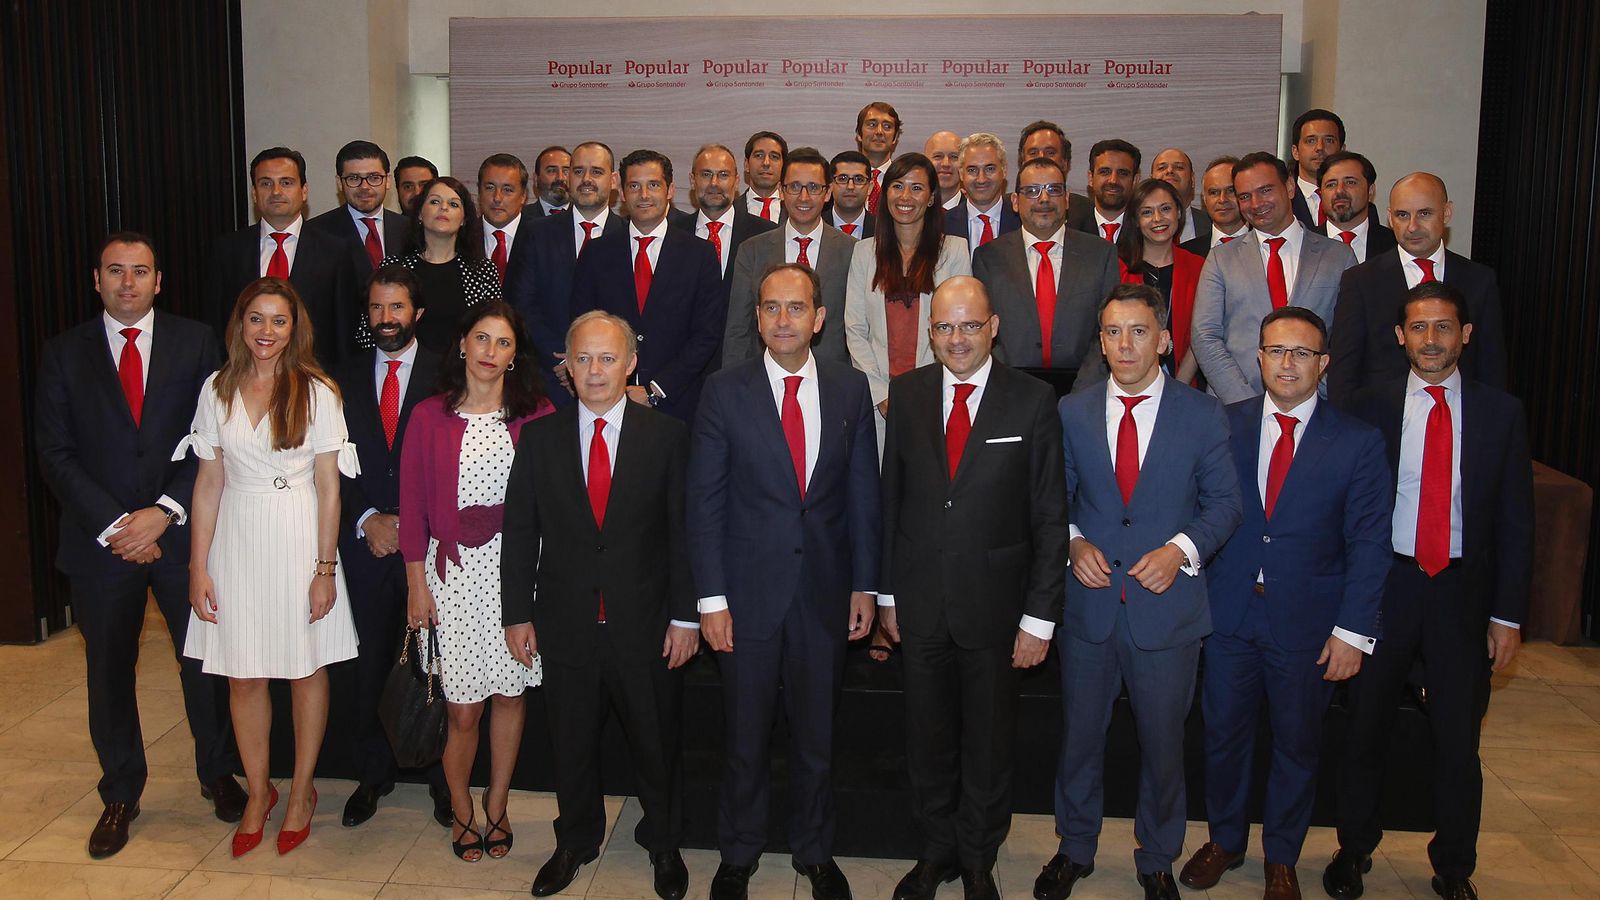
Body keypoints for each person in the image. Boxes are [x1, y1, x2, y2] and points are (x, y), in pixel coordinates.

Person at [34, 233, 245, 859]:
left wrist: (163, 513)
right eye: (115, 272)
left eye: (140, 272)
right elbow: (54, 452)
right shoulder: (63, 352)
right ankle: (121, 790)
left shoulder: (197, 341)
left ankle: (216, 772)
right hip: (100, 546)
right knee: (109, 672)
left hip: (182, 534)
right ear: (96, 281)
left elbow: (215, 436)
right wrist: (118, 526)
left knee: (202, 661)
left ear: (160, 281)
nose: (128, 283)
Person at [1324, 283, 1533, 900]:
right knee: (1365, 728)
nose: (1432, 340)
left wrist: (1507, 615)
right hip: (1386, 585)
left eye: (1444, 328)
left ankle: (1454, 866)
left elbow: (1517, 522)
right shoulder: (1368, 406)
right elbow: (1346, 512)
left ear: (1465, 335)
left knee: (1457, 740)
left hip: (1463, 595)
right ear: (1400, 336)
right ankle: (1353, 849)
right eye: (1419, 328)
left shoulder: (1502, 413)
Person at [1178, 307, 1392, 900]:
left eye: (1301, 353)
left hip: (1309, 623)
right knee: (1222, 735)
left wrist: (1353, 633)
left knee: (1298, 742)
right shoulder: (1224, 424)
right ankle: (1224, 840)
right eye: (1276, 351)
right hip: (1228, 615)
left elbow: (1370, 544)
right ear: (1260, 358)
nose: (1287, 363)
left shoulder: (1357, 442)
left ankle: (1282, 857)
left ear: (1323, 364)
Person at [688, 263, 880, 900]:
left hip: (825, 594)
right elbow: (705, 502)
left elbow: (862, 496)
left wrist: (865, 586)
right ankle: (738, 853)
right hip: (744, 598)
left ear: (819, 318)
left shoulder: (851, 390)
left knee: (817, 737)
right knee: (744, 736)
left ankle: (814, 851)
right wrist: (711, 599)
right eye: (771, 308)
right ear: (758, 317)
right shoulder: (724, 390)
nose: (783, 320)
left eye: (796, 308)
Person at [1042, 284, 1241, 900]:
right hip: (1090, 609)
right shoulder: (1072, 411)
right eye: (1111, 332)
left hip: (1166, 612)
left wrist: (1180, 550)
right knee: (1078, 740)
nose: (1123, 345)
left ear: (1164, 339)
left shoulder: (1204, 414)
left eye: (1136, 331)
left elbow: (1225, 505)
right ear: (1099, 342)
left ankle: (1157, 856)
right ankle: (1074, 848)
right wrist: (1073, 542)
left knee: (1162, 746)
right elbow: (1055, 501)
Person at [878, 277, 1068, 900]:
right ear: (930, 333)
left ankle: (979, 857)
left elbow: (1047, 514)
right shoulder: (905, 395)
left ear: (993, 327)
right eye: (943, 327)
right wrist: (887, 597)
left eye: (968, 325)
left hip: (997, 608)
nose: (956, 339)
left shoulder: (1034, 400)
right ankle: (936, 853)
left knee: (988, 745)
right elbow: (891, 502)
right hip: (922, 603)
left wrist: (1040, 618)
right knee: (925, 738)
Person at [503, 311, 696, 900]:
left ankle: (662, 842)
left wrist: (686, 617)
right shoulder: (540, 438)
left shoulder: (666, 436)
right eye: (581, 358)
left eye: (607, 358)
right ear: (565, 366)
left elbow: (683, 536)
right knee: (571, 742)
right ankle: (575, 840)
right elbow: (519, 531)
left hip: (646, 624)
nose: (594, 370)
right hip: (566, 625)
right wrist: (516, 613)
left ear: (631, 364)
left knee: (655, 741)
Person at [178, 277, 361, 858]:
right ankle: (259, 792)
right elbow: (207, 484)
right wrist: (197, 567)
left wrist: (325, 568)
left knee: (305, 668)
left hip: (299, 534)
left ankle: (302, 789)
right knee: (244, 673)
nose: (266, 331)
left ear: (294, 327)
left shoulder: (317, 392)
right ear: (240, 324)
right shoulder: (217, 388)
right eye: (256, 319)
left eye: (277, 320)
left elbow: (330, 490)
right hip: (236, 534)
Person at [399, 301, 553, 862]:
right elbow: (412, 505)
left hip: (518, 578)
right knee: (464, 710)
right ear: (462, 343)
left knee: (511, 697)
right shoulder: (427, 416)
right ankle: (461, 808)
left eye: (504, 343)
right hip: (453, 577)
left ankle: (498, 803)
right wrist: (416, 584)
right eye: (482, 339)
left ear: (516, 355)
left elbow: (549, 504)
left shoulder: (536, 414)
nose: (491, 352)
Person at [330, 264, 449, 828]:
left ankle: (443, 782)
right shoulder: (339, 378)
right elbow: (324, 461)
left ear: (417, 313)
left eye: (396, 308)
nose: (386, 319)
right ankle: (371, 776)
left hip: (436, 547)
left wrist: (417, 524)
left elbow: (459, 455)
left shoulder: (451, 372)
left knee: (440, 668)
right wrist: (367, 518)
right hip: (367, 545)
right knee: (370, 665)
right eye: (376, 308)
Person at [1327, 172, 1508, 406]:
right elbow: (1344, 373)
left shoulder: (1479, 280)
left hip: (1457, 421)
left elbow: (1491, 367)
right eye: (1403, 215)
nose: (1412, 226)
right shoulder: (1360, 281)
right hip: (1381, 424)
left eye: (1424, 213)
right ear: (1390, 218)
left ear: (1446, 213)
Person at [1190, 152, 1356, 404]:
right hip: (1236, 408)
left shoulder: (1338, 257)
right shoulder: (1220, 259)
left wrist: (1316, 392)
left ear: (1290, 187)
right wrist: (1245, 403)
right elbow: (1205, 336)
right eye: (1245, 196)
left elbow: (1348, 340)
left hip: (1314, 408)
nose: (1256, 203)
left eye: (1265, 190)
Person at [570, 149, 723, 421]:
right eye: (634, 186)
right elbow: (582, 325)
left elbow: (707, 335)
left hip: (677, 404)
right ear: (621, 191)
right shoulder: (596, 253)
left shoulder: (700, 254)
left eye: (653, 185)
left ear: (670, 190)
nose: (643, 195)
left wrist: (656, 390)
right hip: (608, 401)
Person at [844, 152, 973, 454]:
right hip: (877, 402)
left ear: (930, 198)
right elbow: (855, 329)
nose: (906, 196)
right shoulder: (864, 253)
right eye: (897, 186)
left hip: (934, 397)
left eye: (917, 188)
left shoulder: (954, 251)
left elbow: (957, 331)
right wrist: (881, 394)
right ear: (885, 192)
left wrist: (919, 394)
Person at [205, 147, 358, 368]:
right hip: (244, 381)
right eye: (266, 183)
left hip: (313, 381)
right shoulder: (227, 250)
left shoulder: (336, 252)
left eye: (286, 182)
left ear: (304, 191)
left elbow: (344, 333)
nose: (276, 191)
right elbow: (215, 327)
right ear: (254, 193)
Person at [972, 157, 1117, 382]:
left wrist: (1083, 388)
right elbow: (984, 333)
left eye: (1054, 189)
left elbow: (1109, 328)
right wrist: (1011, 386)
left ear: (1067, 199)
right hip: (1012, 388)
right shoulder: (988, 257)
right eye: (1031, 190)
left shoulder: (1101, 254)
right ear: (1015, 201)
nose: (1044, 199)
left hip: (1085, 387)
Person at [505, 141, 625, 400]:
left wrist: (595, 361)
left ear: (613, 180)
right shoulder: (536, 233)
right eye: (578, 171)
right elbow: (521, 304)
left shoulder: (629, 237)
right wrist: (563, 360)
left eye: (596, 172)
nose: (586, 180)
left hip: (613, 380)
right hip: (548, 380)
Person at [725, 148, 855, 368]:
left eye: (813, 187)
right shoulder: (751, 250)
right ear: (781, 191)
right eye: (794, 187)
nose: (803, 197)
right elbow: (738, 329)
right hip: (764, 378)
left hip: (832, 378)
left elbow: (858, 329)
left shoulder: (852, 251)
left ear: (828, 193)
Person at [371, 175, 502, 354]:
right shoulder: (394, 267)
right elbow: (370, 330)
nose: (444, 208)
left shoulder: (482, 271)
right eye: (434, 202)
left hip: (461, 373)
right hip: (406, 372)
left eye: (454, 204)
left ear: (464, 219)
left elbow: (494, 330)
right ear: (419, 213)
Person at [1116, 178, 1206, 384]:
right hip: (1127, 381)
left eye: (1165, 208)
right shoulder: (1116, 266)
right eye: (1147, 212)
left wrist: (1180, 384)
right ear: (1136, 221)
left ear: (1179, 213)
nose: (1157, 218)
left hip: (1185, 382)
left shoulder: (1199, 267)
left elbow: (1202, 333)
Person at [669, 143, 778, 299]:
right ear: (693, 180)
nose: (714, 183)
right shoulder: (673, 234)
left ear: (736, 181)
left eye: (723, 175)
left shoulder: (766, 234)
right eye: (706, 174)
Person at [306, 140, 410, 283]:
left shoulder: (410, 230)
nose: (364, 187)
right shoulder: (315, 233)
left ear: (388, 181)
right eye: (354, 178)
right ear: (339, 183)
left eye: (374, 178)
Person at [945, 132, 1021, 256]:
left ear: (1004, 170)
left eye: (989, 169)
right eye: (972, 170)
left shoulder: (1023, 221)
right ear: (961, 174)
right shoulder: (942, 225)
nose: (981, 179)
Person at [1315, 151, 1396, 264]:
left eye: (1350, 182)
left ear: (1370, 191)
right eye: (1331, 184)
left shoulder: (1395, 245)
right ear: (1321, 193)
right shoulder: (1302, 244)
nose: (1339, 190)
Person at [1016, 120, 1092, 223]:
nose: (1041, 157)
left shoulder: (1087, 211)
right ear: (1023, 162)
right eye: (1033, 153)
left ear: (1065, 163)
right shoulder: (1007, 212)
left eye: (1050, 152)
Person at [1069, 139, 1141, 242]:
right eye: (1105, 172)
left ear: (1135, 180)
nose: (1113, 180)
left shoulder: (1145, 232)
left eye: (1123, 173)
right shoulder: (1070, 231)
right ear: (1090, 178)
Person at [1180, 156, 1250, 257]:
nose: (1222, 199)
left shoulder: (1267, 245)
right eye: (1214, 192)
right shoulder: (1185, 254)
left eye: (1231, 191)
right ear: (1204, 199)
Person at [1288, 109, 1346, 228]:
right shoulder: (1281, 200)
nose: (1320, 147)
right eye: (1311, 141)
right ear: (1295, 152)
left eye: (1329, 140)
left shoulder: (1357, 201)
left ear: (1342, 151)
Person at [479, 153, 530, 283]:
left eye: (507, 190)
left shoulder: (540, 238)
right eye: (490, 188)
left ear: (523, 196)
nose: (497, 198)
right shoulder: (460, 238)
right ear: (479, 192)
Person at [1151, 148, 1211, 245]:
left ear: (1192, 179)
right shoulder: (1134, 226)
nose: (1169, 171)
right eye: (1162, 168)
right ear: (1151, 179)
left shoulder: (1212, 224)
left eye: (1179, 167)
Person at [854, 102, 902, 214]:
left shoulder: (904, 180)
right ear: (859, 134)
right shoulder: (841, 180)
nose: (879, 132)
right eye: (872, 124)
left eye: (887, 126)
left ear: (895, 137)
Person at [738, 131, 787, 223]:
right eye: (759, 156)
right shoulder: (730, 209)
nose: (766, 163)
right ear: (746, 164)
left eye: (774, 157)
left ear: (784, 166)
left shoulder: (795, 210)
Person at [825, 150, 875, 238]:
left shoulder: (884, 230)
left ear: (870, 187)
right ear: (830, 185)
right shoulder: (814, 226)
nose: (850, 186)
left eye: (859, 179)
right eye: (842, 179)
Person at [528, 146, 572, 217]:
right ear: (536, 179)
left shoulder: (587, 217)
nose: (560, 178)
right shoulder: (519, 219)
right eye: (552, 171)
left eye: (566, 171)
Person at [925, 130, 964, 210]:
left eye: (954, 157)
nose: (946, 164)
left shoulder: (973, 214)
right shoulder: (912, 213)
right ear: (925, 162)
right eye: (938, 156)